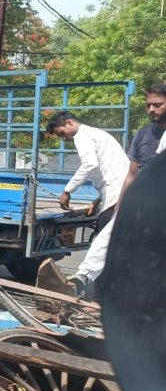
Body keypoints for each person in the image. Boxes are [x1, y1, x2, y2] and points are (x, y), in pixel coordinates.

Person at [39, 111, 129, 296]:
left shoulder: (82, 136)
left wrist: (67, 191)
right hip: (117, 191)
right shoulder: (96, 134)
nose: (64, 139)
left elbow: (89, 164)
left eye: (62, 133)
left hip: (116, 192)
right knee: (108, 242)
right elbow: (109, 170)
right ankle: (100, 291)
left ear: (70, 123)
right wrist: (97, 200)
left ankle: (86, 285)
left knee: (103, 240)